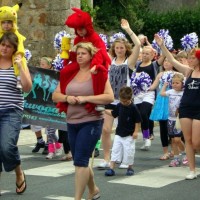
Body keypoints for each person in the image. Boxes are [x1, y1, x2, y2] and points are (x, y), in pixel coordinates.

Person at [52, 42, 114, 200]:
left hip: (91, 121)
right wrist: (67, 98)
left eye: (83, 53)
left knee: (80, 161)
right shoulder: (70, 73)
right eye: (78, 53)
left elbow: (109, 96)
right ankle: (93, 189)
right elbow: (55, 95)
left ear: (91, 55)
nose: (79, 56)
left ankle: (77, 198)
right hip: (72, 122)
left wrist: (86, 98)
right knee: (81, 160)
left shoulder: (97, 73)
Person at [154, 34, 200, 179]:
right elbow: (172, 59)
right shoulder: (188, 71)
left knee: (197, 141)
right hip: (186, 108)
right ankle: (192, 170)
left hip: (199, 109)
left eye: (192, 58)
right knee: (188, 140)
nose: (190, 60)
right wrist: (162, 46)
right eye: (190, 57)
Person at [97, 19, 141, 170]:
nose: (119, 50)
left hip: (125, 101)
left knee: (126, 132)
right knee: (105, 129)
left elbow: (138, 45)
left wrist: (128, 29)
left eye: (122, 48)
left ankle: (126, 159)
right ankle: (107, 158)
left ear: (125, 49)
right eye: (117, 48)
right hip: (111, 99)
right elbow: (99, 48)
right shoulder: (110, 61)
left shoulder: (129, 62)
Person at [0, 32, 32, 194]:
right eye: (3, 45)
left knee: (6, 146)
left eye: (8, 46)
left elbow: (27, 88)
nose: (4, 48)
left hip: (11, 110)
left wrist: (20, 66)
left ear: (14, 49)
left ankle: (18, 172)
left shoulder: (17, 64)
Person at [104, 86, 141, 176]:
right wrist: (103, 111)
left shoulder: (133, 108)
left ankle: (130, 167)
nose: (124, 103)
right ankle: (111, 168)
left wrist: (136, 131)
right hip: (119, 133)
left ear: (130, 98)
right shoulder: (119, 105)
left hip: (129, 134)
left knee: (129, 151)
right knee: (115, 150)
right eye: (122, 101)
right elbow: (114, 114)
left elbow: (138, 121)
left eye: (126, 101)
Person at [149, 58, 175, 160]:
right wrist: (141, 87)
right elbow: (154, 86)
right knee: (163, 127)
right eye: (164, 61)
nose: (166, 63)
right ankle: (165, 151)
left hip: (172, 101)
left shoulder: (177, 74)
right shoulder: (160, 74)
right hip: (161, 101)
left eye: (168, 61)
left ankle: (174, 150)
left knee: (172, 128)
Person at [160, 73, 187, 167]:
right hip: (170, 118)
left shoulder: (184, 93)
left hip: (179, 119)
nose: (175, 84)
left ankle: (185, 153)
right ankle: (176, 158)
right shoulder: (170, 91)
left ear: (182, 83)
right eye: (173, 83)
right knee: (173, 140)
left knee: (178, 139)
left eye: (177, 83)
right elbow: (161, 93)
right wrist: (164, 85)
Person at [0, 3, 27, 89]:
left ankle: (18, 79)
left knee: (20, 63)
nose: (6, 25)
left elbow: (20, 45)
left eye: (9, 22)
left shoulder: (17, 35)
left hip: (15, 55)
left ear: (13, 23)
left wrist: (19, 54)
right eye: (4, 22)